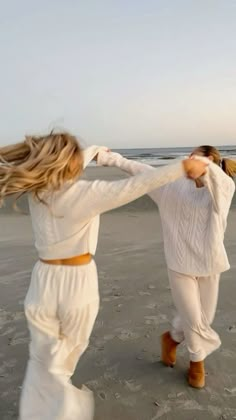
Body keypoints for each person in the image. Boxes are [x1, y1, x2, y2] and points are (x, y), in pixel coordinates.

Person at [0, 132, 206, 419]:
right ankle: (57, 410)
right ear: (68, 163)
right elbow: (135, 186)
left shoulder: (40, 189)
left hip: (42, 282)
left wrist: (94, 150)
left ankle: (40, 407)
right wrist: (182, 167)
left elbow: (68, 168)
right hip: (76, 284)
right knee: (66, 358)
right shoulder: (83, 194)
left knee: (43, 358)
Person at [97, 145, 236, 389]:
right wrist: (110, 158)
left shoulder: (222, 190)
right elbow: (139, 170)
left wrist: (205, 166)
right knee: (194, 319)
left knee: (205, 318)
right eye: (190, 158)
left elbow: (221, 181)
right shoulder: (170, 187)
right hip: (180, 264)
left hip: (210, 264)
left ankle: (171, 339)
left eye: (199, 160)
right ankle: (196, 364)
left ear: (213, 166)